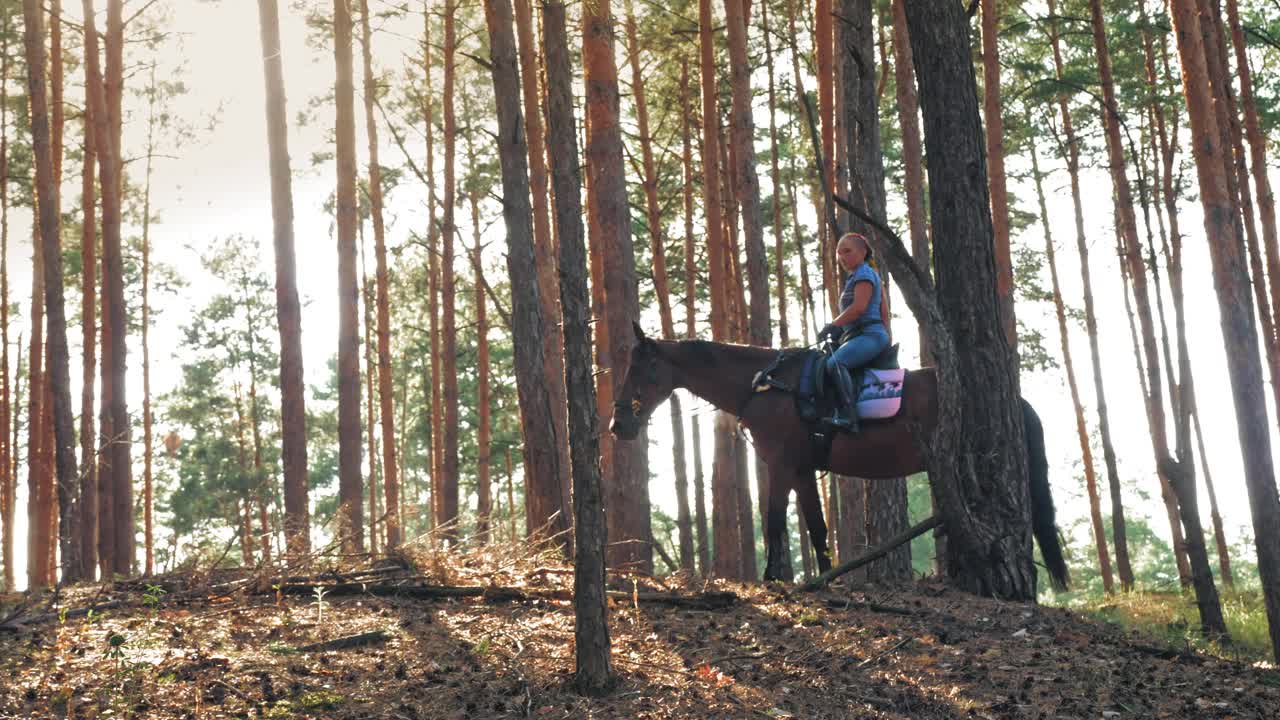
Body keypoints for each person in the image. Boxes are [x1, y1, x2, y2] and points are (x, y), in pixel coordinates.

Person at [819, 232, 889, 431]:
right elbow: (885, 312)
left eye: (847, 251)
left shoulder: (864, 274)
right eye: (839, 253)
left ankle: (849, 416)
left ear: (863, 251)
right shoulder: (860, 276)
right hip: (863, 336)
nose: (842, 257)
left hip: (869, 335)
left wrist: (833, 325)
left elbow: (859, 308)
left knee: (836, 363)